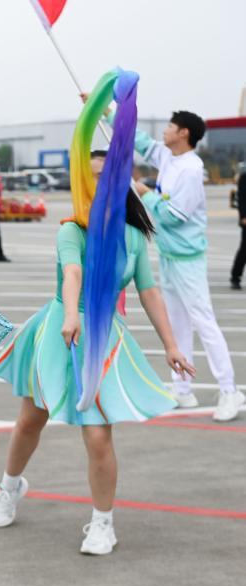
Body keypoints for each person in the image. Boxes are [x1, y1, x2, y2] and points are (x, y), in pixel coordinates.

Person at [0, 150, 194, 555]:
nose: (96, 182)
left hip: (102, 337)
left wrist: (171, 345)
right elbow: (73, 273)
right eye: (90, 175)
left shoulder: (133, 237)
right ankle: (9, 487)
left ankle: (103, 522)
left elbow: (149, 291)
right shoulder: (72, 230)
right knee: (31, 419)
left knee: (98, 434)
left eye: (104, 175)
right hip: (60, 331)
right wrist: (70, 315)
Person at [105, 103, 244, 421]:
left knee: (204, 322)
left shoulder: (191, 170)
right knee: (177, 323)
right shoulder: (167, 156)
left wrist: (145, 192)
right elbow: (138, 140)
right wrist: (108, 113)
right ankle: (182, 388)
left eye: (170, 126)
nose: (164, 131)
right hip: (169, 256)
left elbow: (175, 216)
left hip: (188, 260)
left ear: (183, 133)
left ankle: (230, 390)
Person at [231, 165, 246, 290]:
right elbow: (242, 199)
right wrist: (243, 216)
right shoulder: (244, 177)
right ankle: (235, 277)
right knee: (244, 250)